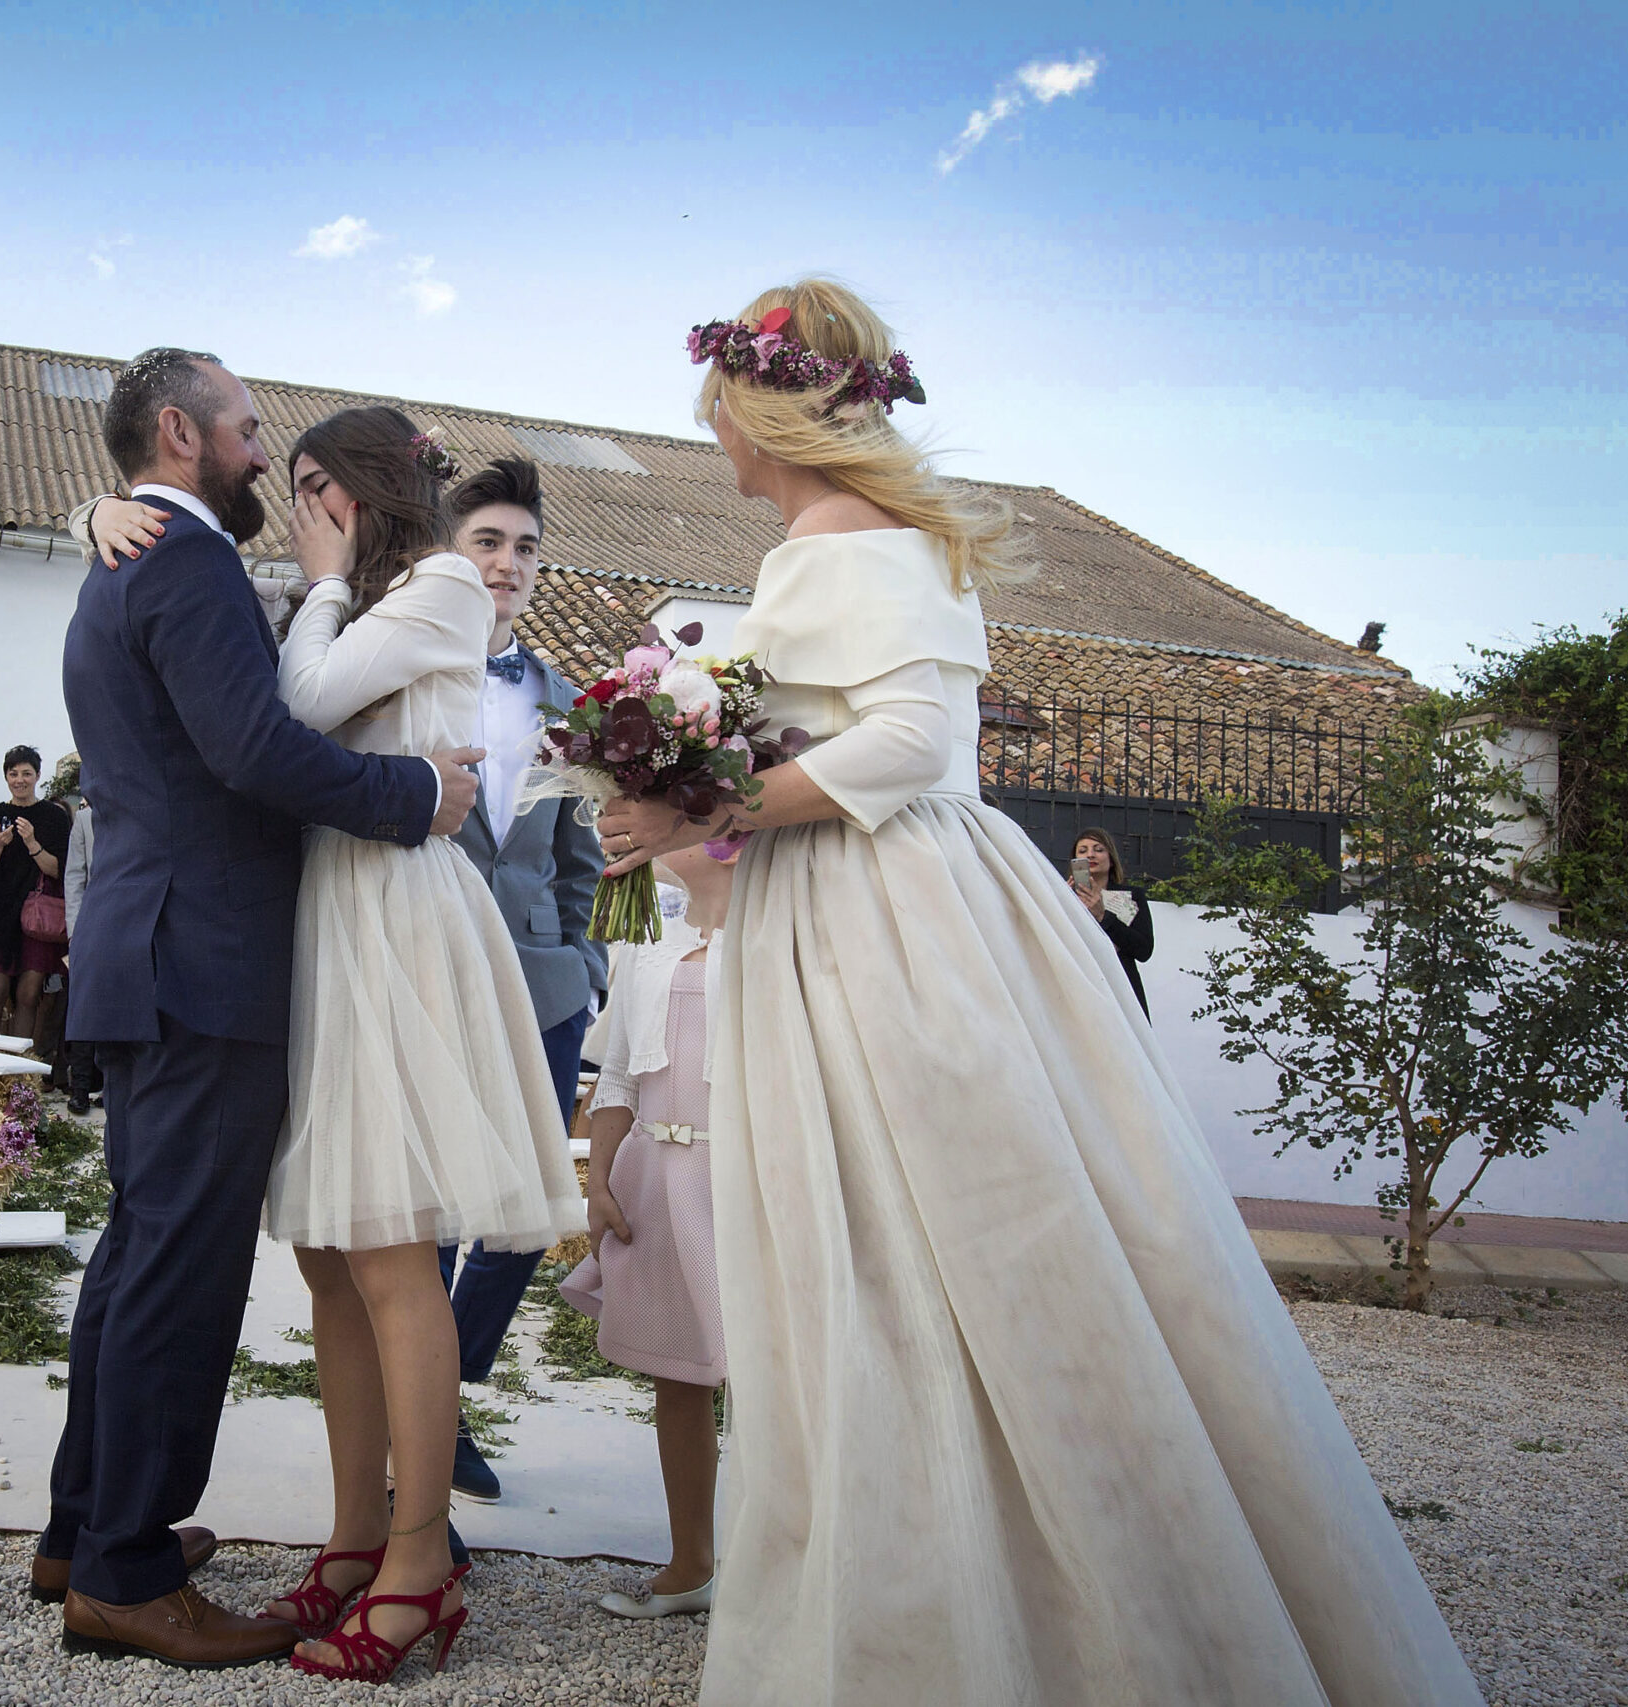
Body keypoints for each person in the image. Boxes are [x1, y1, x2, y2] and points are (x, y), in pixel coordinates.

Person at [596, 277, 1482, 1706]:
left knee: (890, 1258)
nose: (714, 444)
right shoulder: (899, 543)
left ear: (758, 407)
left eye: (719, 413)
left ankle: (958, 1614)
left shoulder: (830, 547)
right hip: (908, 907)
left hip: (873, 920)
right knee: (948, 1256)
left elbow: (896, 746)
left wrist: (702, 809)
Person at [38, 348, 483, 1672]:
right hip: (204, 960)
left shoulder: (125, 557)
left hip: (152, 951)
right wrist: (416, 798)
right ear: (179, 432)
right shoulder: (180, 563)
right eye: (241, 433)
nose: (256, 459)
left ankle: (84, 1529)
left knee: (136, 1256)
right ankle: (123, 1566)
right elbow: (253, 745)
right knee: (177, 1267)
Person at [247, 406, 579, 1681]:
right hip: (338, 915)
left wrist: (321, 587)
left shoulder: (441, 582)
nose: (305, 512)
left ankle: (420, 1559)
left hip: (396, 918)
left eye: (318, 488)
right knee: (332, 1252)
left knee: (391, 1253)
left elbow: (298, 705)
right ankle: (348, 1539)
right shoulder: (388, 593)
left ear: (366, 486)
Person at [435, 456, 603, 1503]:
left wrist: (581, 963)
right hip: (435, 975)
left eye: (524, 547)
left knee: (522, 1217)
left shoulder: (568, 700)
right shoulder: (409, 675)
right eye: (487, 542)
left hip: (546, 988)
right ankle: (416, 1416)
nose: (508, 563)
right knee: (437, 1205)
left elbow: (581, 854)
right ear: (448, 555)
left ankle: (440, 1394)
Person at [560, 843, 731, 1621]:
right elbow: (621, 1073)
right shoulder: (649, 937)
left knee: (777, 1375)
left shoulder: (773, 928)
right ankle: (692, 1558)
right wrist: (599, 1180)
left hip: (746, 1178)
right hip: (659, 1179)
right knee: (680, 1376)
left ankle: (789, 1562)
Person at [0, 745, 71, 1040]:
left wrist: (32, 843)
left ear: (38, 776)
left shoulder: (53, 816)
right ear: (6, 777)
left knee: (29, 995)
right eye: (14, 773)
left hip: (35, 918)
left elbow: (59, 870)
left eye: (26, 773)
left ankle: (21, 1076)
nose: (20, 780)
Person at [1070, 825, 1153, 1018]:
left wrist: (1104, 917)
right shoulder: (1065, 898)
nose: (1090, 855)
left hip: (1122, 987)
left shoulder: (1131, 897)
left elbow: (1143, 950)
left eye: (1098, 849)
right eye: (1083, 851)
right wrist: (1060, 902)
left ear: (1111, 858)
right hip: (1080, 986)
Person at [59, 790, 98, 1115]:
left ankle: (112, 1087)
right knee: (84, 1006)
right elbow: (74, 877)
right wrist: (75, 931)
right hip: (90, 926)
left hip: (132, 927)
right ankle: (80, 1088)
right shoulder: (84, 820)